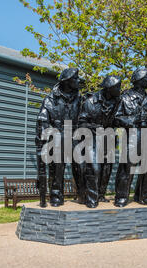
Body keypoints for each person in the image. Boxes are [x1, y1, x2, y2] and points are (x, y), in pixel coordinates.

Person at [35, 68, 85, 207]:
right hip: (58, 135)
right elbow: (42, 119)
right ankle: (56, 196)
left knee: (81, 166)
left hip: (76, 135)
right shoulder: (51, 99)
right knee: (57, 167)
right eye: (75, 78)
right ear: (67, 81)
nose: (78, 81)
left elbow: (85, 116)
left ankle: (83, 194)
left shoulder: (80, 98)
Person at [79, 75, 122, 208]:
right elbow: (81, 123)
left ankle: (101, 194)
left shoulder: (117, 102)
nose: (120, 89)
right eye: (117, 87)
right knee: (94, 168)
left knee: (107, 169)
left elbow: (118, 118)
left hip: (108, 138)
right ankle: (91, 199)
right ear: (109, 89)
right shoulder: (90, 102)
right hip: (92, 137)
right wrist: (95, 128)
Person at [113, 67, 147, 208]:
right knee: (127, 167)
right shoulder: (125, 97)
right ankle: (122, 196)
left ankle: (145, 196)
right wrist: (132, 120)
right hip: (132, 134)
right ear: (140, 80)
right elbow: (116, 117)